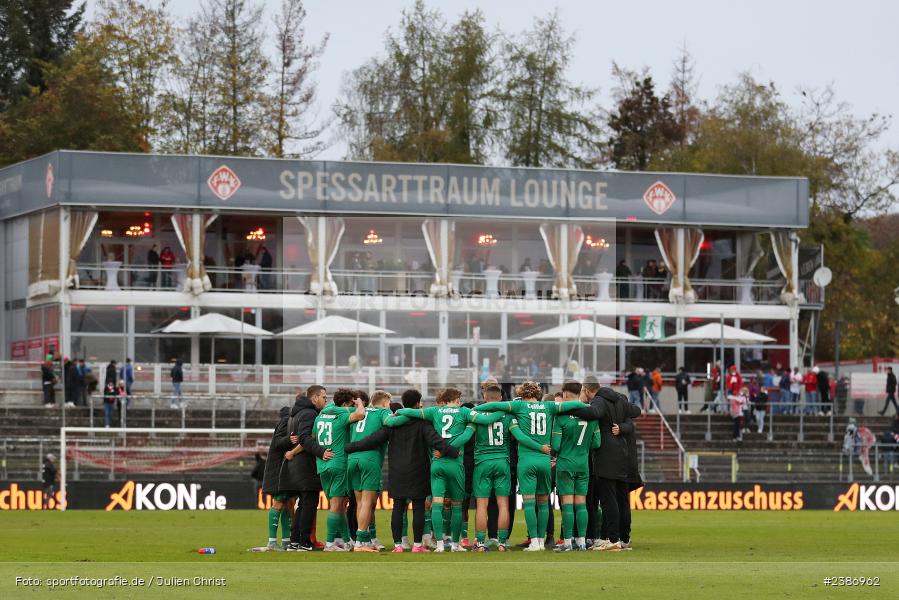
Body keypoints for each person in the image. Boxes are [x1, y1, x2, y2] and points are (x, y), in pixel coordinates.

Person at [475, 382, 586, 551]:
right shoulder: (549, 406)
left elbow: (494, 404)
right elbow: (576, 404)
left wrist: (472, 411)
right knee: (543, 503)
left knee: (529, 503)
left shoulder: (518, 405)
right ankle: (541, 542)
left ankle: (533, 541)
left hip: (527, 460)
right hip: (544, 461)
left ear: (522, 393)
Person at [347, 389, 459, 553]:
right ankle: (417, 546)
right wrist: (453, 451)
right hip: (418, 470)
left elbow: (373, 440)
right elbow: (436, 441)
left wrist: (351, 447)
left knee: (398, 508)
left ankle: (398, 545)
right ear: (417, 404)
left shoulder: (393, 424)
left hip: (397, 471)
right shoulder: (423, 424)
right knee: (419, 508)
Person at [388, 388, 500, 552]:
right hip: (455, 464)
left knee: (437, 504)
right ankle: (455, 544)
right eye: (459, 399)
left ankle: (439, 544)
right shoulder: (463, 412)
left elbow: (409, 412)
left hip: (437, 463)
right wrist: (502, 410)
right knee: (456, 505)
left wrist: (396, 413)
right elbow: (485, 421)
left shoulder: (434, 411)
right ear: (456, 399)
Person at [566, 380, 642, 551]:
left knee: (609, 500)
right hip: (623, 455)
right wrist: (622, 426)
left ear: (586, 390)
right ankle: (624, 538)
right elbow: (636, 410)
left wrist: (570, 407)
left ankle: (612, 539)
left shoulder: (599, 400)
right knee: (622, 499)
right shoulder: (619, 399)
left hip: (607, 457)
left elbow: (593, 413)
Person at [300, 388, 365, 551]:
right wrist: (360, 404)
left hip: (322, 464)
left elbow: (313, 437)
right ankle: (330, 544)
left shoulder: (320, 415)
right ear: (345, 403)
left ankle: (347, 540)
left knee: (339, 505)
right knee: (337, 506)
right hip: (338, 463)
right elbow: (361, 415)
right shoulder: (342, 413)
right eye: (351, 403)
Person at [551, 380, 601, 551]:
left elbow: (555, 446)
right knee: (581, 504)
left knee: (567, 505)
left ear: (565, 395)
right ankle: (581, 542)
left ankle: (567, 543)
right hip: (583, 464)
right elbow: (597, 443)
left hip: (565, 464)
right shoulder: (591, 414)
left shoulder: (561, 416)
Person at [463, 384, 514, 552]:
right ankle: (502, 543)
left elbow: (466, 436)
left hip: (482, 463)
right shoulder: (507, 415)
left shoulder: (476, 415)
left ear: (484, 397)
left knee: (482, 505)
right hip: (501, 462)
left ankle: (479, 543)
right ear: (500, 398)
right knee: (503, 504)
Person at [284, 385, 335, 552]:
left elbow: (300, 439)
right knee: (310, 502)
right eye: (324, 397)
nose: (326, 401)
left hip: (297, 465)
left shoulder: (296, 413)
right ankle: (304, 542)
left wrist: (292, 452)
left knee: (304, 503)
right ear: (314, 398)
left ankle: (294, 541)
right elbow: (305, 439)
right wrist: (321, 452)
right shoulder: (309, 414)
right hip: (305, 465)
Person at [346, 390, 393, 552]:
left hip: (352, 459)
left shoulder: (360, 411)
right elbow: (392, 423)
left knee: (359, 502)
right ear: (385, 402)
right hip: (370, 459)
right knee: (367, 502)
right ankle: (360, 543)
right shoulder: (384, 412)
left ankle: (363, 540)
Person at [259, 406, 296, 551]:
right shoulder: (287, 421)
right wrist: (289, 439)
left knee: (288, 504)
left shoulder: (287, 421)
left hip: (285, 470)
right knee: (279, 503)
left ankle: (286, 541)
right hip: (279, 472)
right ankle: (272, 542)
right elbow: (278, 442)